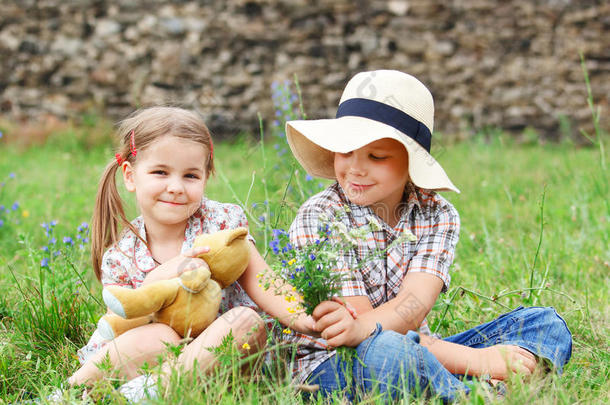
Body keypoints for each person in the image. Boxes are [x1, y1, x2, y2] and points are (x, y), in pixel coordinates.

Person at [282, 70, 572, 402]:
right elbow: (358, 329)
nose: (355, 168)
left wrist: (461, 355)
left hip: (418, 348)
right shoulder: (320, 215)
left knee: (544, 323)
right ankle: (479, 394)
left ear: (411, 161)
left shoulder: (437, 214)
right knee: (388, 352)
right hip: (336, 364)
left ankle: (476, 380)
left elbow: (412, 308)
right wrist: (477, 359)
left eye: (376, 156)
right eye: (345, 152)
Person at [65, 106, 315, 401]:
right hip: (158, 358)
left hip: (230, 361)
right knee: (158, 336)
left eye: (191, 176)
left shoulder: (220, 223)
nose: (175, 187)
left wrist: (304, 318)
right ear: (131, 177)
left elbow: (262, 280)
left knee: (245, 322)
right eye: (160, 172)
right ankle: (70, 392)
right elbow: (123, 326)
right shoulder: (121, 255)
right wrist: (160, 277)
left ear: (206, 178)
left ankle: (153, 393)